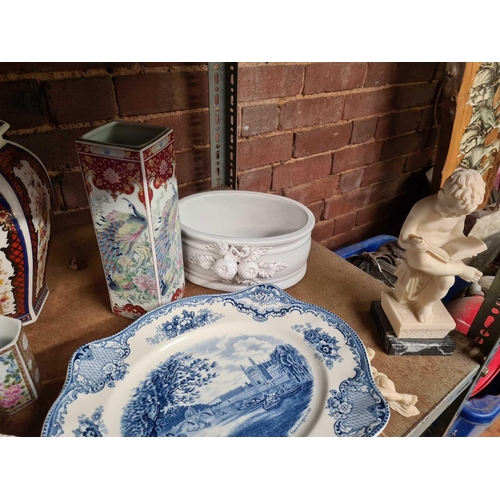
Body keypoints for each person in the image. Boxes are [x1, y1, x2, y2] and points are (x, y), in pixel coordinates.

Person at [393, 168, 486, 323]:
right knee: (421, 262)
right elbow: (402, 239)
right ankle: (461, 270)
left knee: (447, 281)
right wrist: (413, 243)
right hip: (420, 250)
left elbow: (456, 235)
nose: (453, 216)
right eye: (450, 210)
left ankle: (426, 304)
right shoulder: (422, 207)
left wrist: (467, 246)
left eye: (458, 214)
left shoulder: (458, 212)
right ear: (441, 194)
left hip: (444, 251)